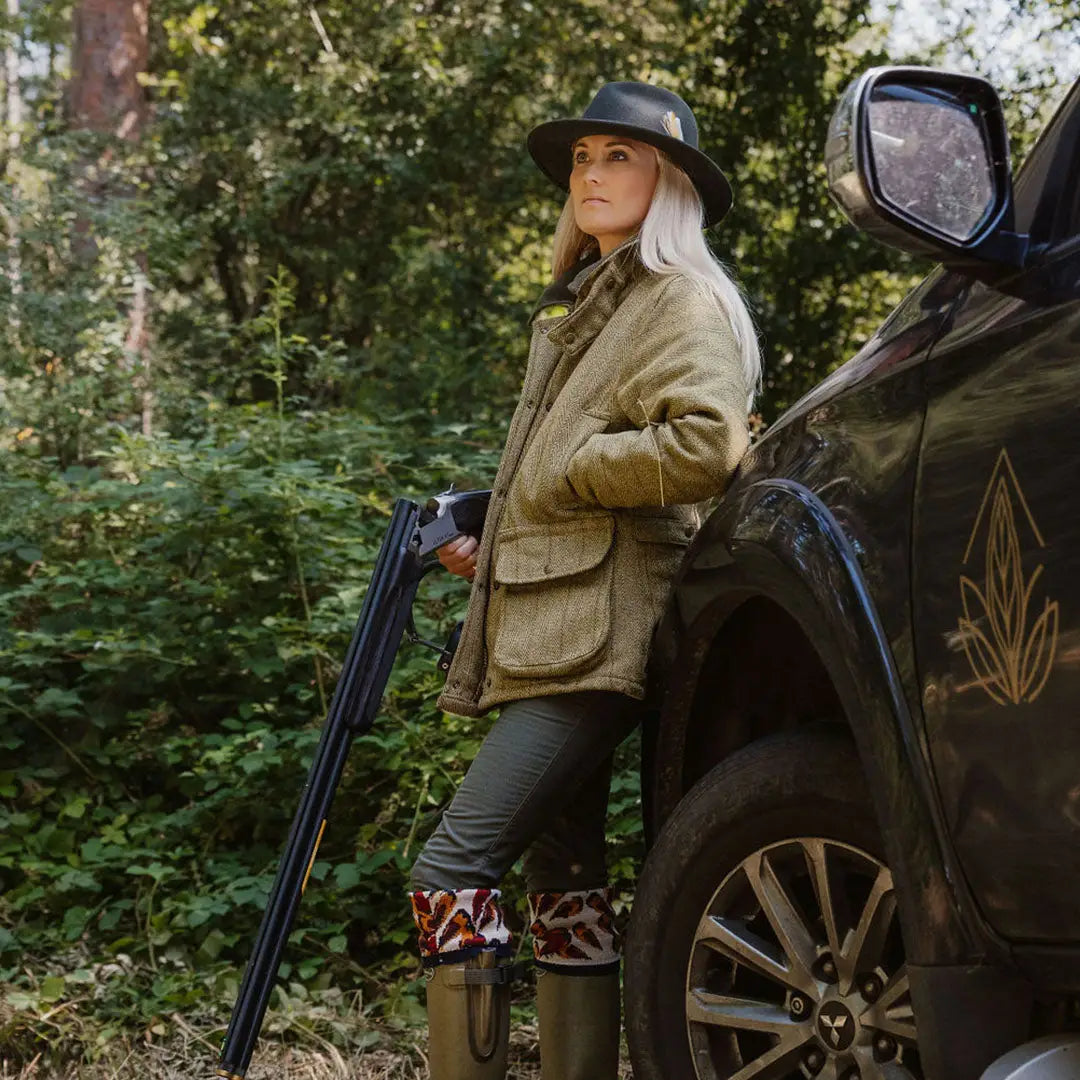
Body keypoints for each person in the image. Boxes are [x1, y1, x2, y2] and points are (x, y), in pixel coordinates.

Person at [407, 81, 761, 1080]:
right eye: (583, 159)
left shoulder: (677, 296)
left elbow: (704, 446)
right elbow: (570, 478)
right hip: (554, 623)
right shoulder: (594, 303)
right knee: (565, 878)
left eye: (621, 156)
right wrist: (497, 529)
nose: (593, 175)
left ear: (671, 183)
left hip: (599, 638)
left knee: (450, 869)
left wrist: (559, 477)